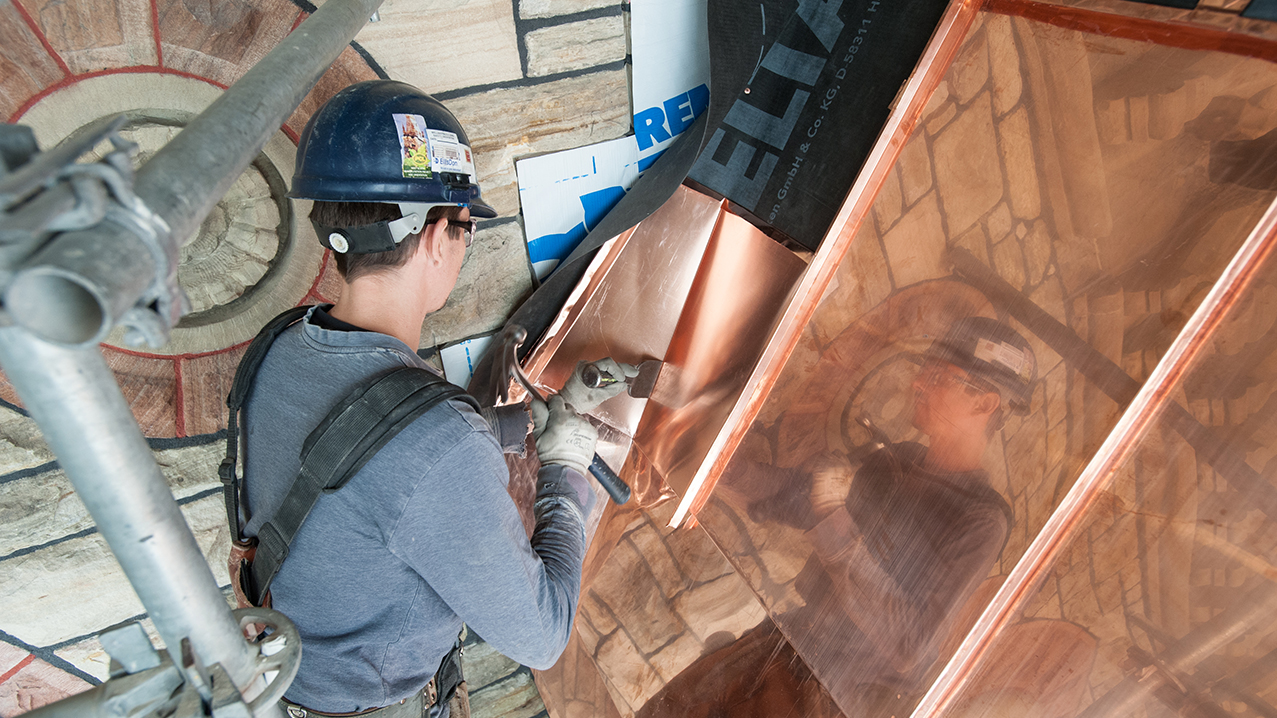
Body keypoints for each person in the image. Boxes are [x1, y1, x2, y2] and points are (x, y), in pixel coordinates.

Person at [239, 80, 630, 718]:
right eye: (467, 228)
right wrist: (564, 469)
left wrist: (518, 425)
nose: (464, 245)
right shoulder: (436, 445)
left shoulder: (281, 346)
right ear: (434, 237)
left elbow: (372, 454)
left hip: (285, 681)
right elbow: (543, 635)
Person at [745, 316, 1035, 716]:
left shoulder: (982, 520)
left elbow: (909, 643)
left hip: (837, 696)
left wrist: (833, 517)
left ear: (984, 404)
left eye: (939, 377)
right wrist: (726, 471)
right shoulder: (900, 459)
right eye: (925, 370)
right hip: (793, 642)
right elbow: (798, 499)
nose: (918, 383)